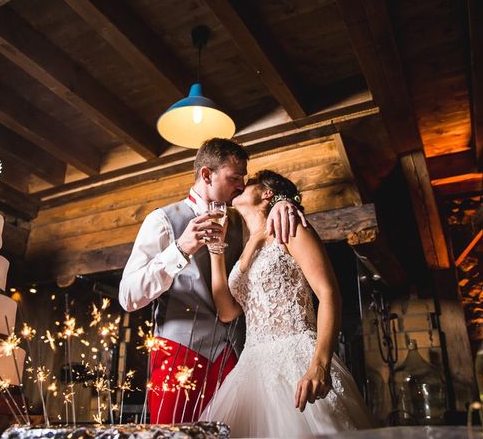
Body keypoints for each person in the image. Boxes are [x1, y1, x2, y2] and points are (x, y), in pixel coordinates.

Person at [119, 139, 304, 424]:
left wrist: (283, 204)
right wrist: (180, 249)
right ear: (207, 175)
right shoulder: (163, 220)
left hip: (234, 357)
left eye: (244, 178)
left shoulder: (243, 219)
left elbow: (271, 209)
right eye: (234, 178)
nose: (241, 185)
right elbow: (128, 297)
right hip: (179, 355)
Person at [201, 170, 374, 437]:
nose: (240, 185)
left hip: (296, 356)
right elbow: (227, 312)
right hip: (251, 367)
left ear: (267, 193)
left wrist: (320, 364)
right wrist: (216, 251)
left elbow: (330, 295)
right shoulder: (248, 247)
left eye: (249, 183)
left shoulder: (291, 227)